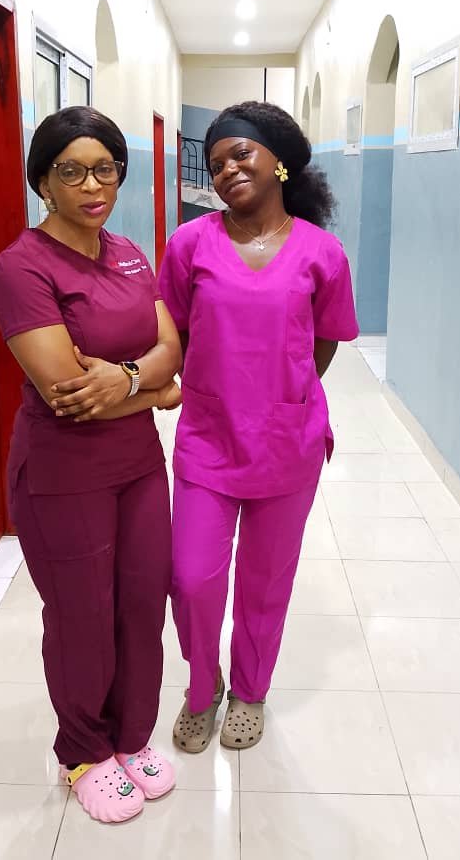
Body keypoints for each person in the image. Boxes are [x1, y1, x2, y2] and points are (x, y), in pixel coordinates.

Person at [0, 106, 182, 823]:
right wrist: (157, 390)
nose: (92, 185)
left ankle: (131, 738)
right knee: (83, 616)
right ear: (43, 180)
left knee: (142, 603)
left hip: (139, 468)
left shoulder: (129, 252)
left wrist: (129, 379)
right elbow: (68, 395)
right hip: (63, 474)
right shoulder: (22, 267)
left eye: (105, 169)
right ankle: (83, 752)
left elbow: (171, 346)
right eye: (71, 171)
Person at [158, 100, 359, 753]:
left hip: (286, 442)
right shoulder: (189, 245)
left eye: (241, 154)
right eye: (217, 164)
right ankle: (202, 685)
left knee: (266, 581)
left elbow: (325, 341)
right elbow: (174, 333)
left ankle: (250, 689)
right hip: (209, 439)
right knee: (191, 578)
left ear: (278, 162)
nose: (228, 171)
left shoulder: (322, 252)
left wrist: (285, 394)